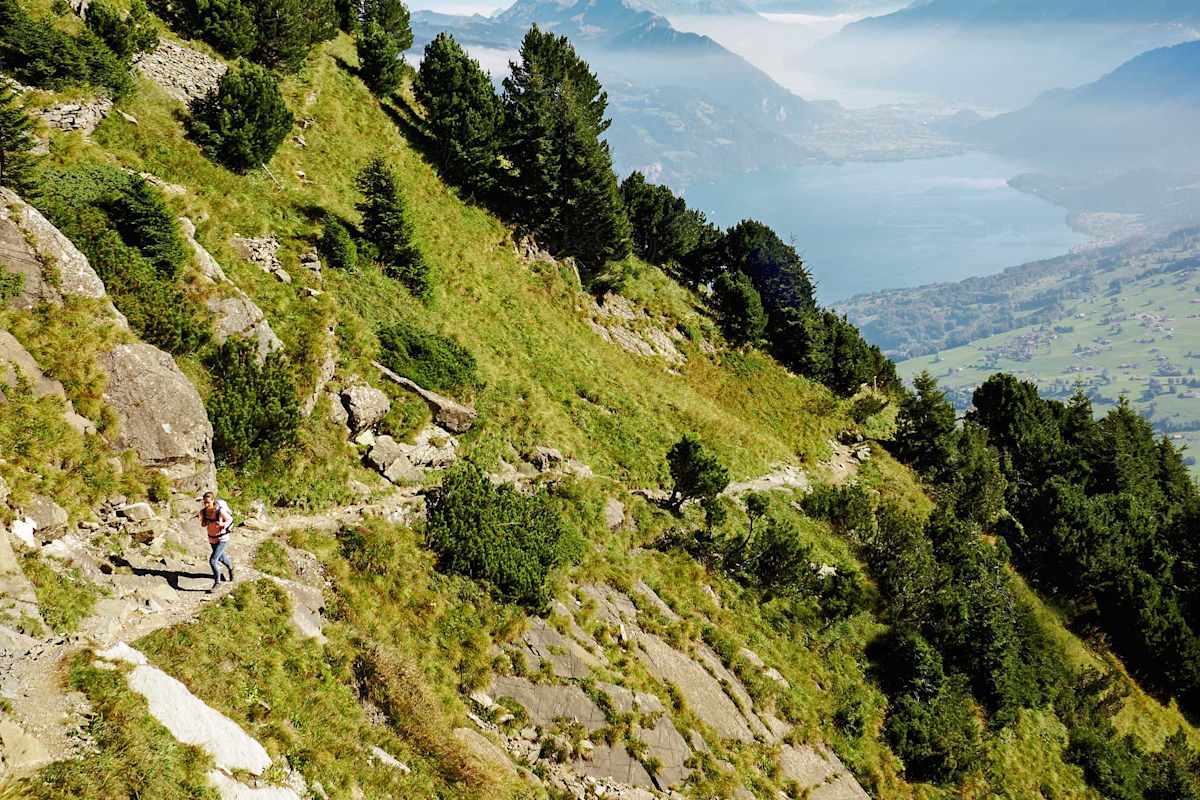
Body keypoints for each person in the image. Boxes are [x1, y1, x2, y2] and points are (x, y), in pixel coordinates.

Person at [199, 491, 234, 592]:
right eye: (204, 502)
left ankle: (217, 583)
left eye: (208, 502)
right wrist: (203, 519)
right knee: (221, 558)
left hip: (222, 538)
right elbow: (203, 525)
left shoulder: (219, 510)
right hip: (212, 538)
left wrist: (222, 524)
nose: (206, 504)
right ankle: (231, 568)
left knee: (213, 560)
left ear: (213, 501)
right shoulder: (204, 511)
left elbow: (230, 520)